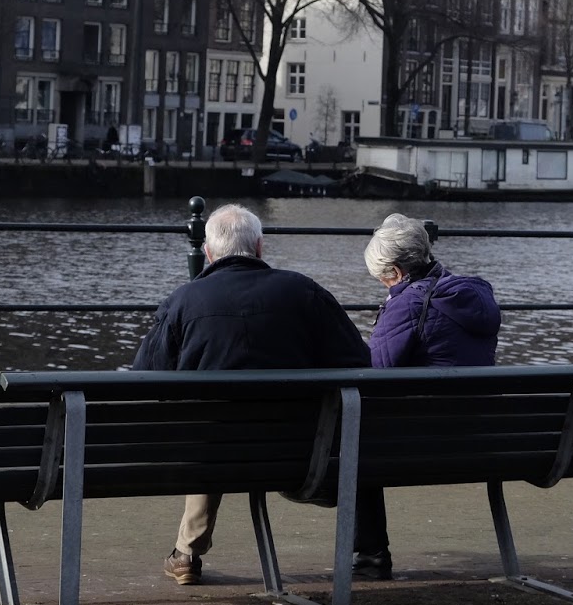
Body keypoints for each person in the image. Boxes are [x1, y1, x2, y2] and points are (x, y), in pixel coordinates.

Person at [132, 203, 369, 585]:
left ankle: (187, 553)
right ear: (259, 247)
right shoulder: (304, 291)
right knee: (235, 425)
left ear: (208, 253)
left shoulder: (183, 301)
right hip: (300, 457)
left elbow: (145, 379)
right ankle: (370, 553)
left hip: (208, 458)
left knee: (211, 426)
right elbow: (358, 361)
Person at [355, 212, 501, 578]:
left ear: (396, 272)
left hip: (423, 446)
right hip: (488, 441)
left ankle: (370, 556)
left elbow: (374, 375)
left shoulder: (406, 304)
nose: (383, 286)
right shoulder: (476, 295)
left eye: (383, 279)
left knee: (353, 437)